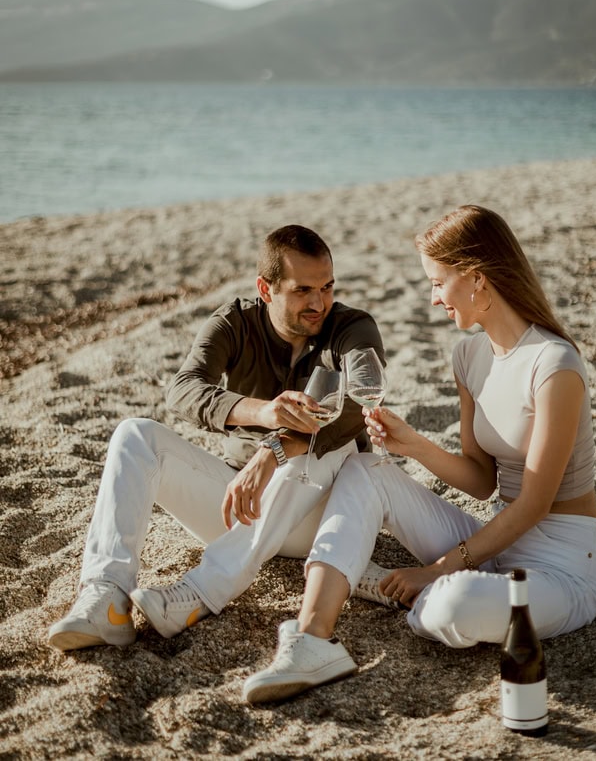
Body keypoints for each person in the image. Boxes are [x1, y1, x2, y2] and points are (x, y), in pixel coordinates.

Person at [243, 204, 596, 703]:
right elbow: (481, 482)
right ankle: (313, 637)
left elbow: (535, 505)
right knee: (368, 468)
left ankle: (385, 585)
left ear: (476, 279)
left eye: (438, 282)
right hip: (495, 543)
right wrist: (413, 445)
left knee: (451, 604)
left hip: (563, 566)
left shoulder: (554, 365)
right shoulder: (469, 355)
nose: (434, 299)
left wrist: (436, 570)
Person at [48, 224, 384, 650]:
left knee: (337, 444)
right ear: (266, 288)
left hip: (322, 522)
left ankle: (203, 591)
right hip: (241, 507)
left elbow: (359, 402)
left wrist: (273, 449)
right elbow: (183, 389)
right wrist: (261, 411)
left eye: (327, 287)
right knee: (135, 435)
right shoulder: (234, 323)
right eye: (302, 291)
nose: (319, 303)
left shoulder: (351, 327)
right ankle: (107, 599)